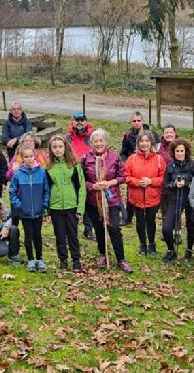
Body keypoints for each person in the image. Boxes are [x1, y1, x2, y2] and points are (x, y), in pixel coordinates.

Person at [82, 129, 132, 273]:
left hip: (112, 200)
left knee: (114, 228)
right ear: (91, 143)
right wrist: (93, 186)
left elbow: (123, 177)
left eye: (101, 140)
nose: (98, 144)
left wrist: (109, 183)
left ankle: (121, 259)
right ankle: (103, 253)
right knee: (99, 228)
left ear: (105, 142)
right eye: (95, 141)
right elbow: (81, 180)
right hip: (93, 201)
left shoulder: (114, 157)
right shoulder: (86, 159)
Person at [46, 135, 86, 272]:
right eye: (54, 147)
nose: (58, 150)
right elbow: (46, 189)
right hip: (55, 206)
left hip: (71, 205)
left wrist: (80, 208)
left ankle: (76, 260)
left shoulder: (74, 165)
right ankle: (63, 260)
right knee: (60, 235)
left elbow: (81, 187)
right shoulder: (48, 167)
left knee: (72, 235)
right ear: (51, 149)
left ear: (65, 147)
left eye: (60, 147)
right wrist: (47, 209)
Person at [9, 146, 50, 272]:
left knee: (38, 235)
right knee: (29, 235)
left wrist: (44, 204)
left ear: (35, 156)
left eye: (31, 156)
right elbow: (12, 192)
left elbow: (47, 190)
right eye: (26, 157)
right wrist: (20, 205)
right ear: (22, 158)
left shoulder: (42, 172)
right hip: (25, 212)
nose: (29, 159)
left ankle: (39, 259)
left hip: (38, 210)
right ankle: (31, 259)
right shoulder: (18, 174)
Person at [125, 130, 165, 256]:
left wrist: (151, 181)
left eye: (147, 141)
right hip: (136, 197)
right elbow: (126, 176)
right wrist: (137, 182)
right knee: (140, 221)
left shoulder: (159, 159)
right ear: (138, 143)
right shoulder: (132, 159)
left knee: (151, 221)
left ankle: (152, 243)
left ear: (151, 142)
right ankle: (143, 244)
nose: (144, 144)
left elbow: (163, 178)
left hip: (152, 197)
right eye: (141, 141)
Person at [120, 112, 158, 227]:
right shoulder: (127, 135)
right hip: (133, 168)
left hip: (149, 168)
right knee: (131, 194)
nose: (137, 123)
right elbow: (123, 152)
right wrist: (126, 163)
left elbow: (157, 149)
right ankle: (129, 218)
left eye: (139, 121)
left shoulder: (152, 134)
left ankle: (149, 217)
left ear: (142, 121)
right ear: (131, 122)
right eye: (134, 121)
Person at [161, 139, 194, 263]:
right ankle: (171, 250)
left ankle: (189, 250)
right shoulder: (170, 167)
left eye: (182, 151)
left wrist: (186, 183)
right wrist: (174, 184)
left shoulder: (193, 165)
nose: (180, 153)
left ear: (186, 151)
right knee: (166, 227)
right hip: (175, 198)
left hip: (190, 199)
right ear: (173, 152)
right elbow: (165, 185)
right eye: (177, 151)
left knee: (191, 225)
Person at [65, 112, 95, 240]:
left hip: (88, 173)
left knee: (88, 202)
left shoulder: (91, 137)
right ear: (73, 122)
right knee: (73, 202)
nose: (80, 122)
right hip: (72, 172)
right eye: (77, 120)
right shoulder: (67, 137)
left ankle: (88, 230)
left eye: (82, 120)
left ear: (86, 122)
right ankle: (72, 230)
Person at [157, 124, 178, 216]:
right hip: (163, 184)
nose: (169, 134)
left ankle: (176, 229)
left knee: (176, 213)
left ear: (175, 133)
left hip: (177, 184)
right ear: (163, 134)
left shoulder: (180, 145)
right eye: (166, 132)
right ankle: (166, 229)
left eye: (171, 132)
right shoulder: (158, 147)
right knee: (165, 212)